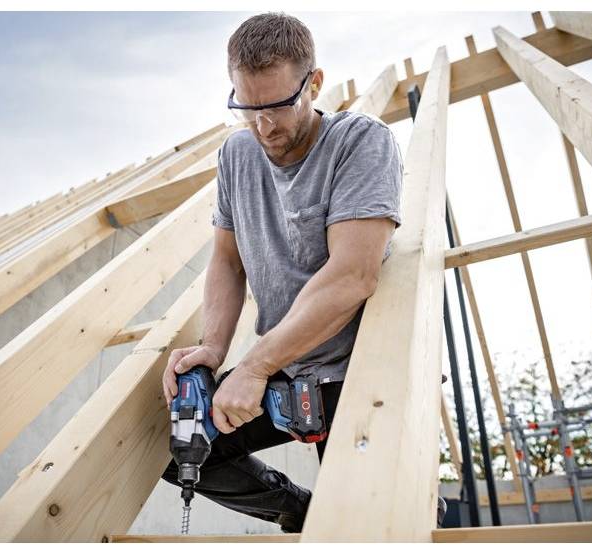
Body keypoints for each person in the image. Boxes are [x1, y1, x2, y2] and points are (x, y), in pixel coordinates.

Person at [160, 12, 410, 533]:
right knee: (185, 453)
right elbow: (227, 262)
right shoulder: (236, 154)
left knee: (367, 529)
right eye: (246, 108)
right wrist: (213, 348)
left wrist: (252, 368)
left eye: (276, 105)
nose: (263, 126)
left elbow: (352, 276)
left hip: (356, 372)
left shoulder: (360, 142)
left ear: (313, 83)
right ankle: (300, 511)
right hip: (283, 370)